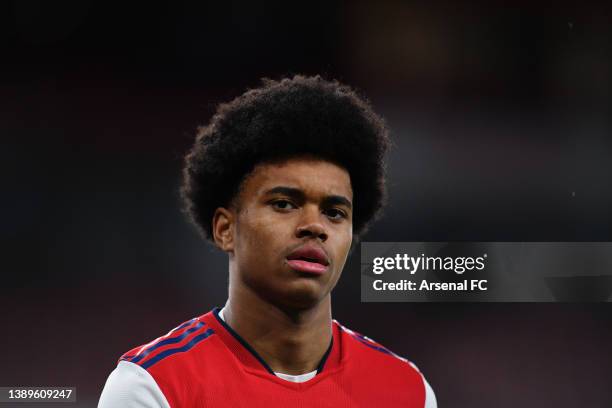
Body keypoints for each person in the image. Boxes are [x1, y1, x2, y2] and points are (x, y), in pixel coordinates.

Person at [98, 75, 437, 407]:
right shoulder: (153, 387)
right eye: (284, 204)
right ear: (225, 229)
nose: (314, 226)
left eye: (334, 212)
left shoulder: (408, 391)